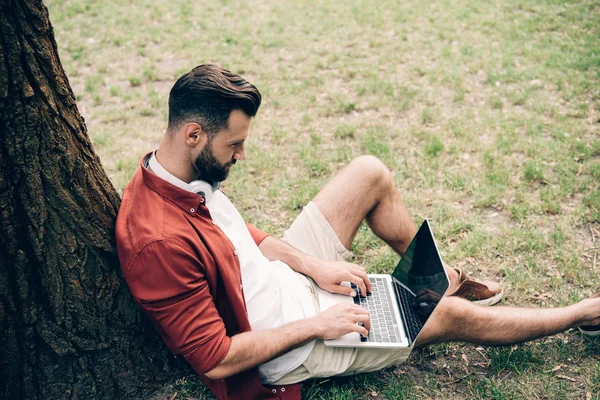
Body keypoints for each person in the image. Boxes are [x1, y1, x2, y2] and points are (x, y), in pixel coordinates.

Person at [115, 64, 600, 400]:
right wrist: (318, 324)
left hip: (289, 283)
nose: (242, 156)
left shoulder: (179, 171)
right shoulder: (158, 243)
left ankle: (437, 274)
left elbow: (247, 238)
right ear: (194, 134)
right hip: (291, 342)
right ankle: (583, 313)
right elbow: (216, 359)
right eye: (235, 145)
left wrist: (313, 266)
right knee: (444, 315)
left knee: (369, 172)